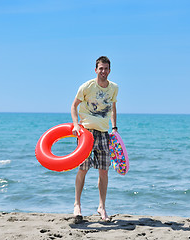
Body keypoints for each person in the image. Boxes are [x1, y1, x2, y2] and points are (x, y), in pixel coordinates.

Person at [71, 56, 118, 222]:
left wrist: (114, 128)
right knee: (83, 169)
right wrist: (76, 125)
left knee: (104, 172)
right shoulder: (87, 87)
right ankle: (77, 205)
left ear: (109, 70)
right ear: (96, 70)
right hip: (86, 133)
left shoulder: (114, 88)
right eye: (101, 68)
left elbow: (113, 107)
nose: (103, 71)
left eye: (106, 68)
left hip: (104, 133)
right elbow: (74, 106)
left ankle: (102, 207)